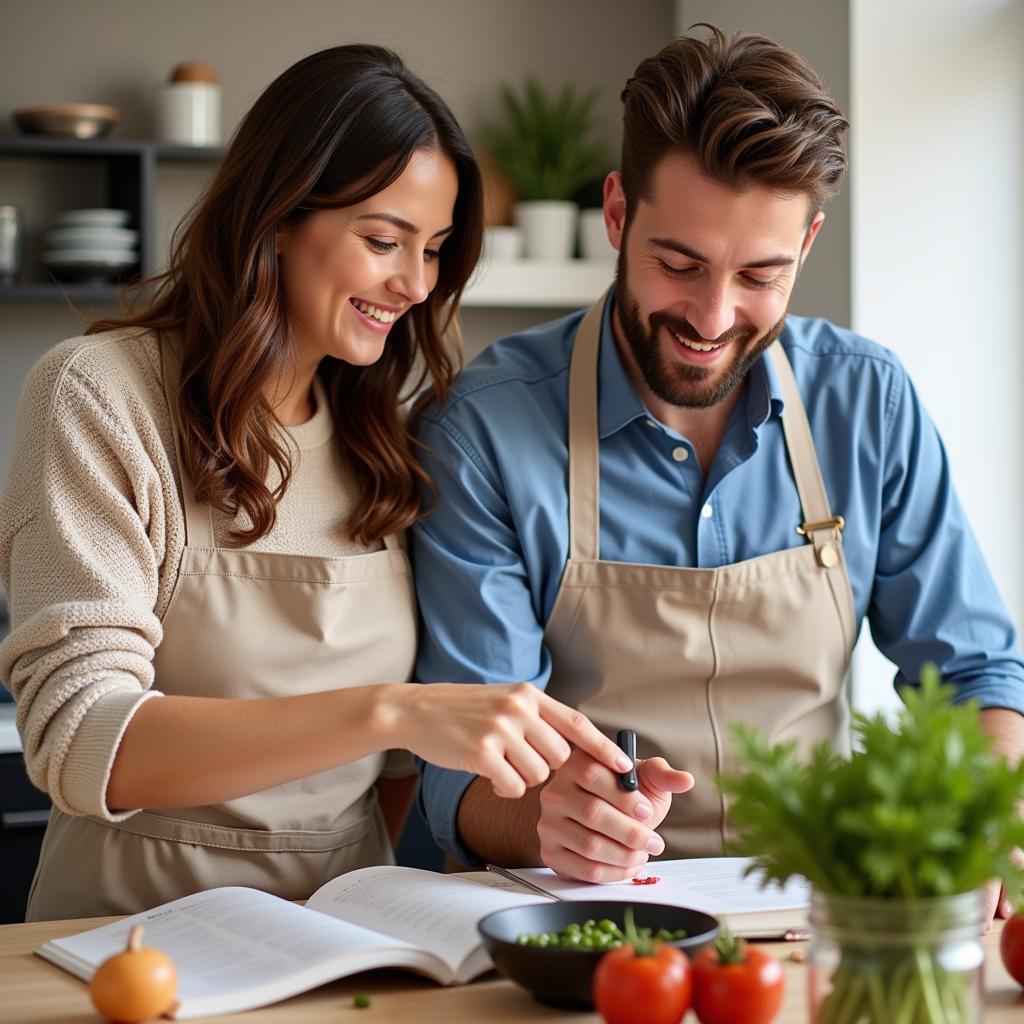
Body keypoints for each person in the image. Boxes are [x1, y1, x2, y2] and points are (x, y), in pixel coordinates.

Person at [0, 44, 627, 921]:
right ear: (277, 216)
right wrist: (392, 711)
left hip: (337, 948)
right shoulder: (99, 396)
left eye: (436, 250)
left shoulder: (382, 436)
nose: (415, 284)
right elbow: (78, 740)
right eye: (384, 241)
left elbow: (399, 782)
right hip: (125, 941)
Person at [411, 26, 1024, 921]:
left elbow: (978, 677)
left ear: (808, 245)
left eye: (761, 275)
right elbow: (457, 772)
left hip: (819, 912)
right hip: (578, 921)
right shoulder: (486, 429)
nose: (713, 315)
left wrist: (989, 815)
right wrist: (550, 818)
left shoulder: (869, 402)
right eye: (679, 264)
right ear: (618, 214)